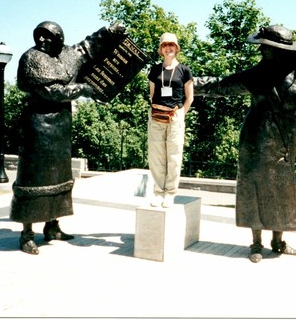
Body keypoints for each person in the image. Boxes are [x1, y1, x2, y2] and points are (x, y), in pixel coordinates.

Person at [195, 25, 296, 262]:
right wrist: (182, 82)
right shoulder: (256, 75)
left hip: (282, 143)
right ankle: (256, 244)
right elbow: (219, 85)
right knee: (254, 188)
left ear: (279, 50)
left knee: (281, 191)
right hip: (254, 141)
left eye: (266, 48)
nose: (261, 50)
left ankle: (278, 241)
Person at [10, 21, 126, 255]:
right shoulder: (31, 58)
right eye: (39, 36)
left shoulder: (66, 55)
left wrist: (110, 32)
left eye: (48, 37)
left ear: (58, 39)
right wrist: (81, 89)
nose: (42, 41)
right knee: (34, 179)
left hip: (60, 128)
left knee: (58, 175)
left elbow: (87, 47)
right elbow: (49, 92)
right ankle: (27, 234)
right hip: (38, 128)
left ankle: (52, 226)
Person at [147, 32, 194, 207]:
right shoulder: (154, 70)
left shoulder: (184, 70)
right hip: (157, 117)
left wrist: (181, 115)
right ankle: (158, 192)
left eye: (171, 45)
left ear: (176, 48)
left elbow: (189, 97)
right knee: (156, 156)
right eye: (165, 45)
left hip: (175, 116)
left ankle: (170, 193)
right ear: (161, 49)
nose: (168, 48)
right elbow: (152, 95)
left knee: (174, 156)